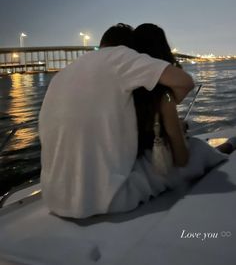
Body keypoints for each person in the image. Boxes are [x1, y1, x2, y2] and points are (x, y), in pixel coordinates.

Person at [39, 23, 194, 219]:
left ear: (102, 43)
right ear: (129, 48)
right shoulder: (121, 57)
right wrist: (168, 101)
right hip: (107, 199)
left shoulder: (65, 72)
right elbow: (185, 82)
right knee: (191, 154)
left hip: (53, 199)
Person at [133, 23, 235, 189]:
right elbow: (182, 159)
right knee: (202, 148)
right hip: (162, 169)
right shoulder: (163, 97)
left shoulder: (124, 92)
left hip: (137, 165)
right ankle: (229, 145)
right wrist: (176, 130)